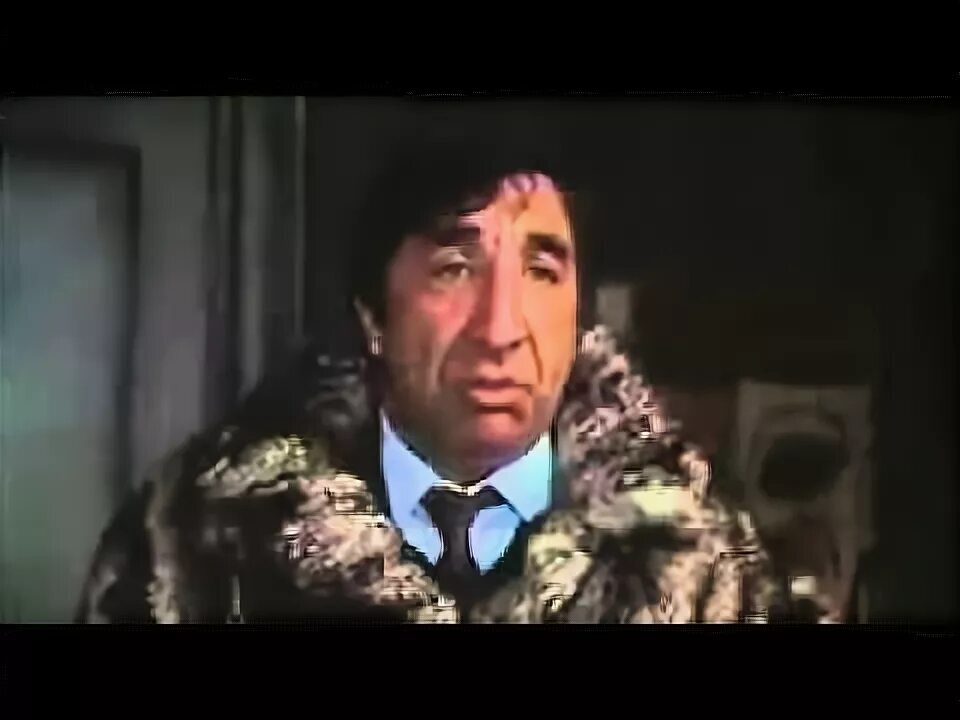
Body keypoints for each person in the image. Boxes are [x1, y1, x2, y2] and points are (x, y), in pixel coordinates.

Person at [76, 133, 814, 624]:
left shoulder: (707, 563)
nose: (500, 329)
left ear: (581, 318)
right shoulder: (200, 541)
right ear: (374, 317)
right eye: (455, 269)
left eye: (541, 272)